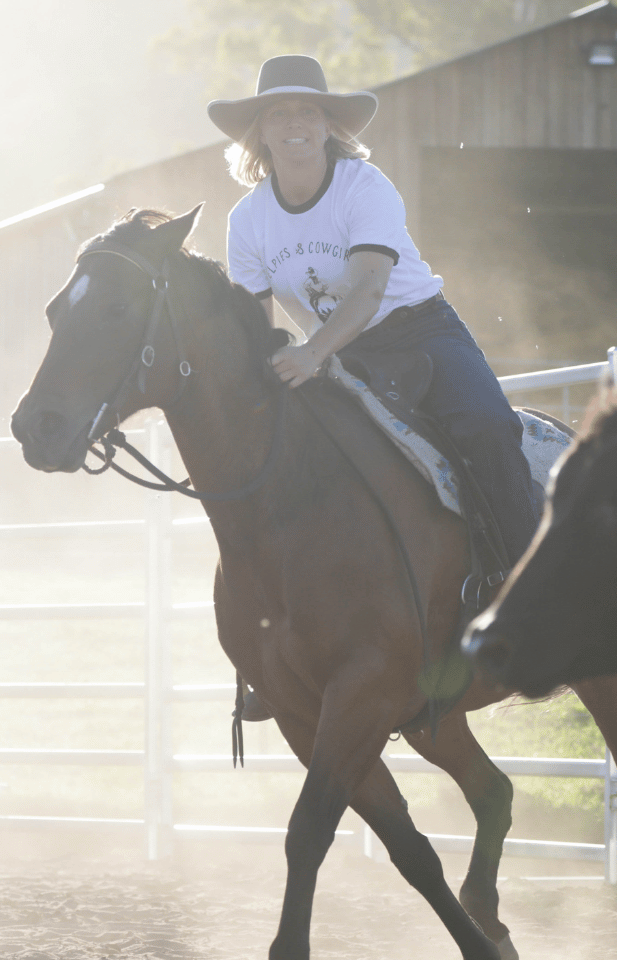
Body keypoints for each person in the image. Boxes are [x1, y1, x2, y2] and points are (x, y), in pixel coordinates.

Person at [208, 54, 538, 720]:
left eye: (309, 112)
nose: (296, 125)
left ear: (329, 125)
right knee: (285, 464)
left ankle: (530, 596)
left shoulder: (363, 187)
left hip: (418, 335)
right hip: (332, 357)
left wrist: (310, 354)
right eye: (280, 114)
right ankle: (278, 638)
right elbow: (250, 326)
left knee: (484, 427)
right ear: (260, 133)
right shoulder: (248, 221)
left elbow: (368, 289)